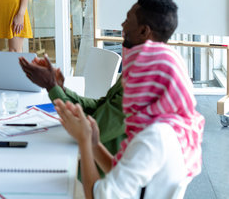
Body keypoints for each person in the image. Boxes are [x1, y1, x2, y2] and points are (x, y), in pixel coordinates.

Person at [19, 0, 180, 156]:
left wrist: (51, 86)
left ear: (144, 31)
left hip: (102, 169)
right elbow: (101, 107)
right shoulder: (144, 67)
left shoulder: (144, 84)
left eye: (127, 20)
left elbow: (89, 132)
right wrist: (61, 89)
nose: (122, 25)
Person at [55, 38, 204, 198]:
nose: (125, 84)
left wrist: (84, 140)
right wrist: (94, 145)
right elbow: (122, 172)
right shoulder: (173, 127)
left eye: (134, 78)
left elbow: (97, 195)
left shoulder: (153, 139)